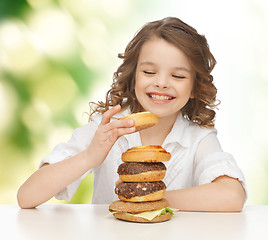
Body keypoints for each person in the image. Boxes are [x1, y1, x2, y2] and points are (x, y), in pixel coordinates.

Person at [17, 17, 246, 211]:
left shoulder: (198, 139)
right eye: (149, 71)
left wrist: (150, 198)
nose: (162, 83)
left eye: (178, 76)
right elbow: (27, 197)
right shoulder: (107, 128)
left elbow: (233, 196)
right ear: (133, 76)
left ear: (195, 87)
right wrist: (90, 155)